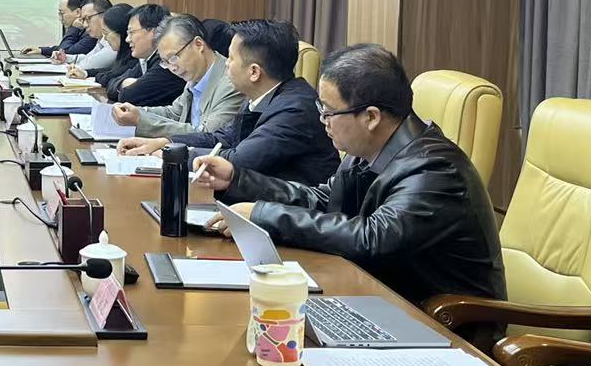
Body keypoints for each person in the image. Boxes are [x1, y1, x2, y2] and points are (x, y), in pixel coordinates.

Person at [193, 43, 505, 306]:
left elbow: (371, 238)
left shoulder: (434, 170)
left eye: (328, 112)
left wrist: (263, 214)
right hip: (379, 296)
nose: (323, 121)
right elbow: (323, 200)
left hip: (443, 324)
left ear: (371, 117)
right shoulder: (368, 149)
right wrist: (238, 179)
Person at [125, 19, 338, 185]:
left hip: (291, 215)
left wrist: (173, 155)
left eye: (231, 58)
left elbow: (237, 160)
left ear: (254, 72)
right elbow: (221, 138)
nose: (226, 64)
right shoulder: (261, 97)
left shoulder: (295, 109)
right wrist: (168, 142)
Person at [110, 14, 243, 138]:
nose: (172, 68)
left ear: (198, 44)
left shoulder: (232, 83)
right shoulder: (195, 76)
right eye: (165, 62)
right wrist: (136, 112)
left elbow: (206, 135)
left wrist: (140, 120)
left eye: (174, 58)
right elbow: (174, 113)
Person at [109, 3, 184, 107]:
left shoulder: (166, 63)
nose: (127, 39)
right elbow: (111, 84)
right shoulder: (146, 59)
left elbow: (128, 96)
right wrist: (124, 83)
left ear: (154, 32)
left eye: (131, 32)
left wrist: (125, 86)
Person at [58, 0, 115, 72]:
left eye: (87, 18)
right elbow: (89, 57)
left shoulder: (114, 41)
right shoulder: (101, 39)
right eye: (82, 20)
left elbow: (88, 64)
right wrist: (66, 58)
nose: (84, 25)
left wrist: (73, 66)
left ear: (104, 16)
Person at [25, 0, 90, 55]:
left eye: (62, 13)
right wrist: (41, 50)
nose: (60, 18)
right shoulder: (81, 29)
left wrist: (74, 28)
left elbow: (64, 51)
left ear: (78, 12)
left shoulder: (90, 32)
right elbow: (66, 47)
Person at [92, 4, 138, 93]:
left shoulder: (135, 58)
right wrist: (85, 73)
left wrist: (100, 77)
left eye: (106, 33)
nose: (105, 38)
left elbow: (109, 77)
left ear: (121, 32)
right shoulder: (124, 55)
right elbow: (112, 70)